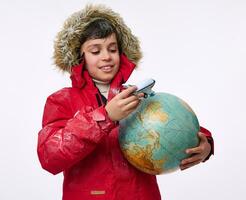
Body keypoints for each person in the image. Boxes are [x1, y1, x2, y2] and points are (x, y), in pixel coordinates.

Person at [37, 4, 214, 200]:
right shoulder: (62, 100)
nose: (106, 57)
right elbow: (50, 157)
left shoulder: (135, 94)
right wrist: (105, 117)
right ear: (80, 57)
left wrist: (206, 145)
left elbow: (171, 124)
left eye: (113, 49)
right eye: (95, 51)